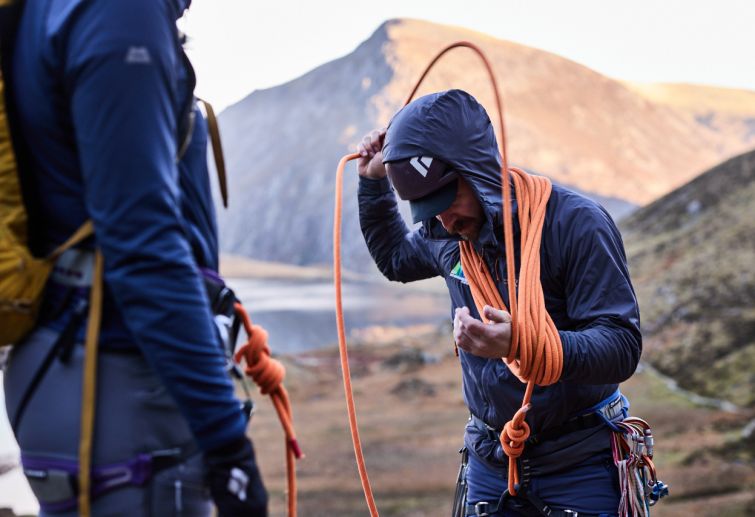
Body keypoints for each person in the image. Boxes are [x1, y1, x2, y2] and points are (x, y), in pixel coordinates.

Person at [2, 0, 267, 515]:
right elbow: (142, 242)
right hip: (116, 378)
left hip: (74, 366)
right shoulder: (120, 10)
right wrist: (226, 440)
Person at [357, 89, 641, 516]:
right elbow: (396, 259)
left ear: (477, 172)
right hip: (490, 464)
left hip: (581, 466)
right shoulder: (445, 233)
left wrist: (520, 344)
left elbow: (621, 347)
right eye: (427, 210)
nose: (443, 220)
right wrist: (373, 183)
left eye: (447, 200)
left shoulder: (575, 224)